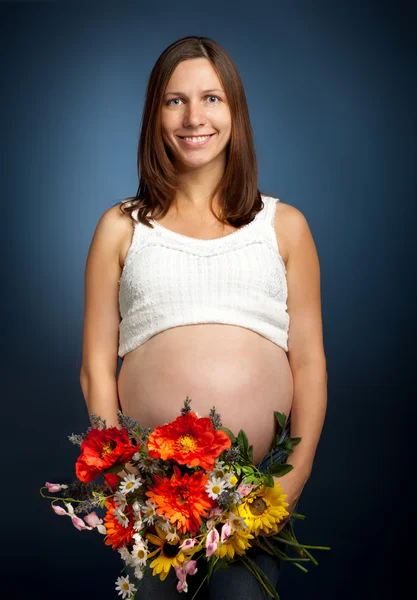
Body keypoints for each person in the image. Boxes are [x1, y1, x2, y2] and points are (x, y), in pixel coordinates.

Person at [80, 36, 327, 599]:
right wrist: (126, 483)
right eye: (175, 101)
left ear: (234, 111)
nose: (195, 117)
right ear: (154, 115)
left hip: (252, 496)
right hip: (151, 495)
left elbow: (309, 362)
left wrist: (297, 474)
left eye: (211, 98)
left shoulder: (284, 226)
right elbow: (96, 368)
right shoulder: (121, 228)